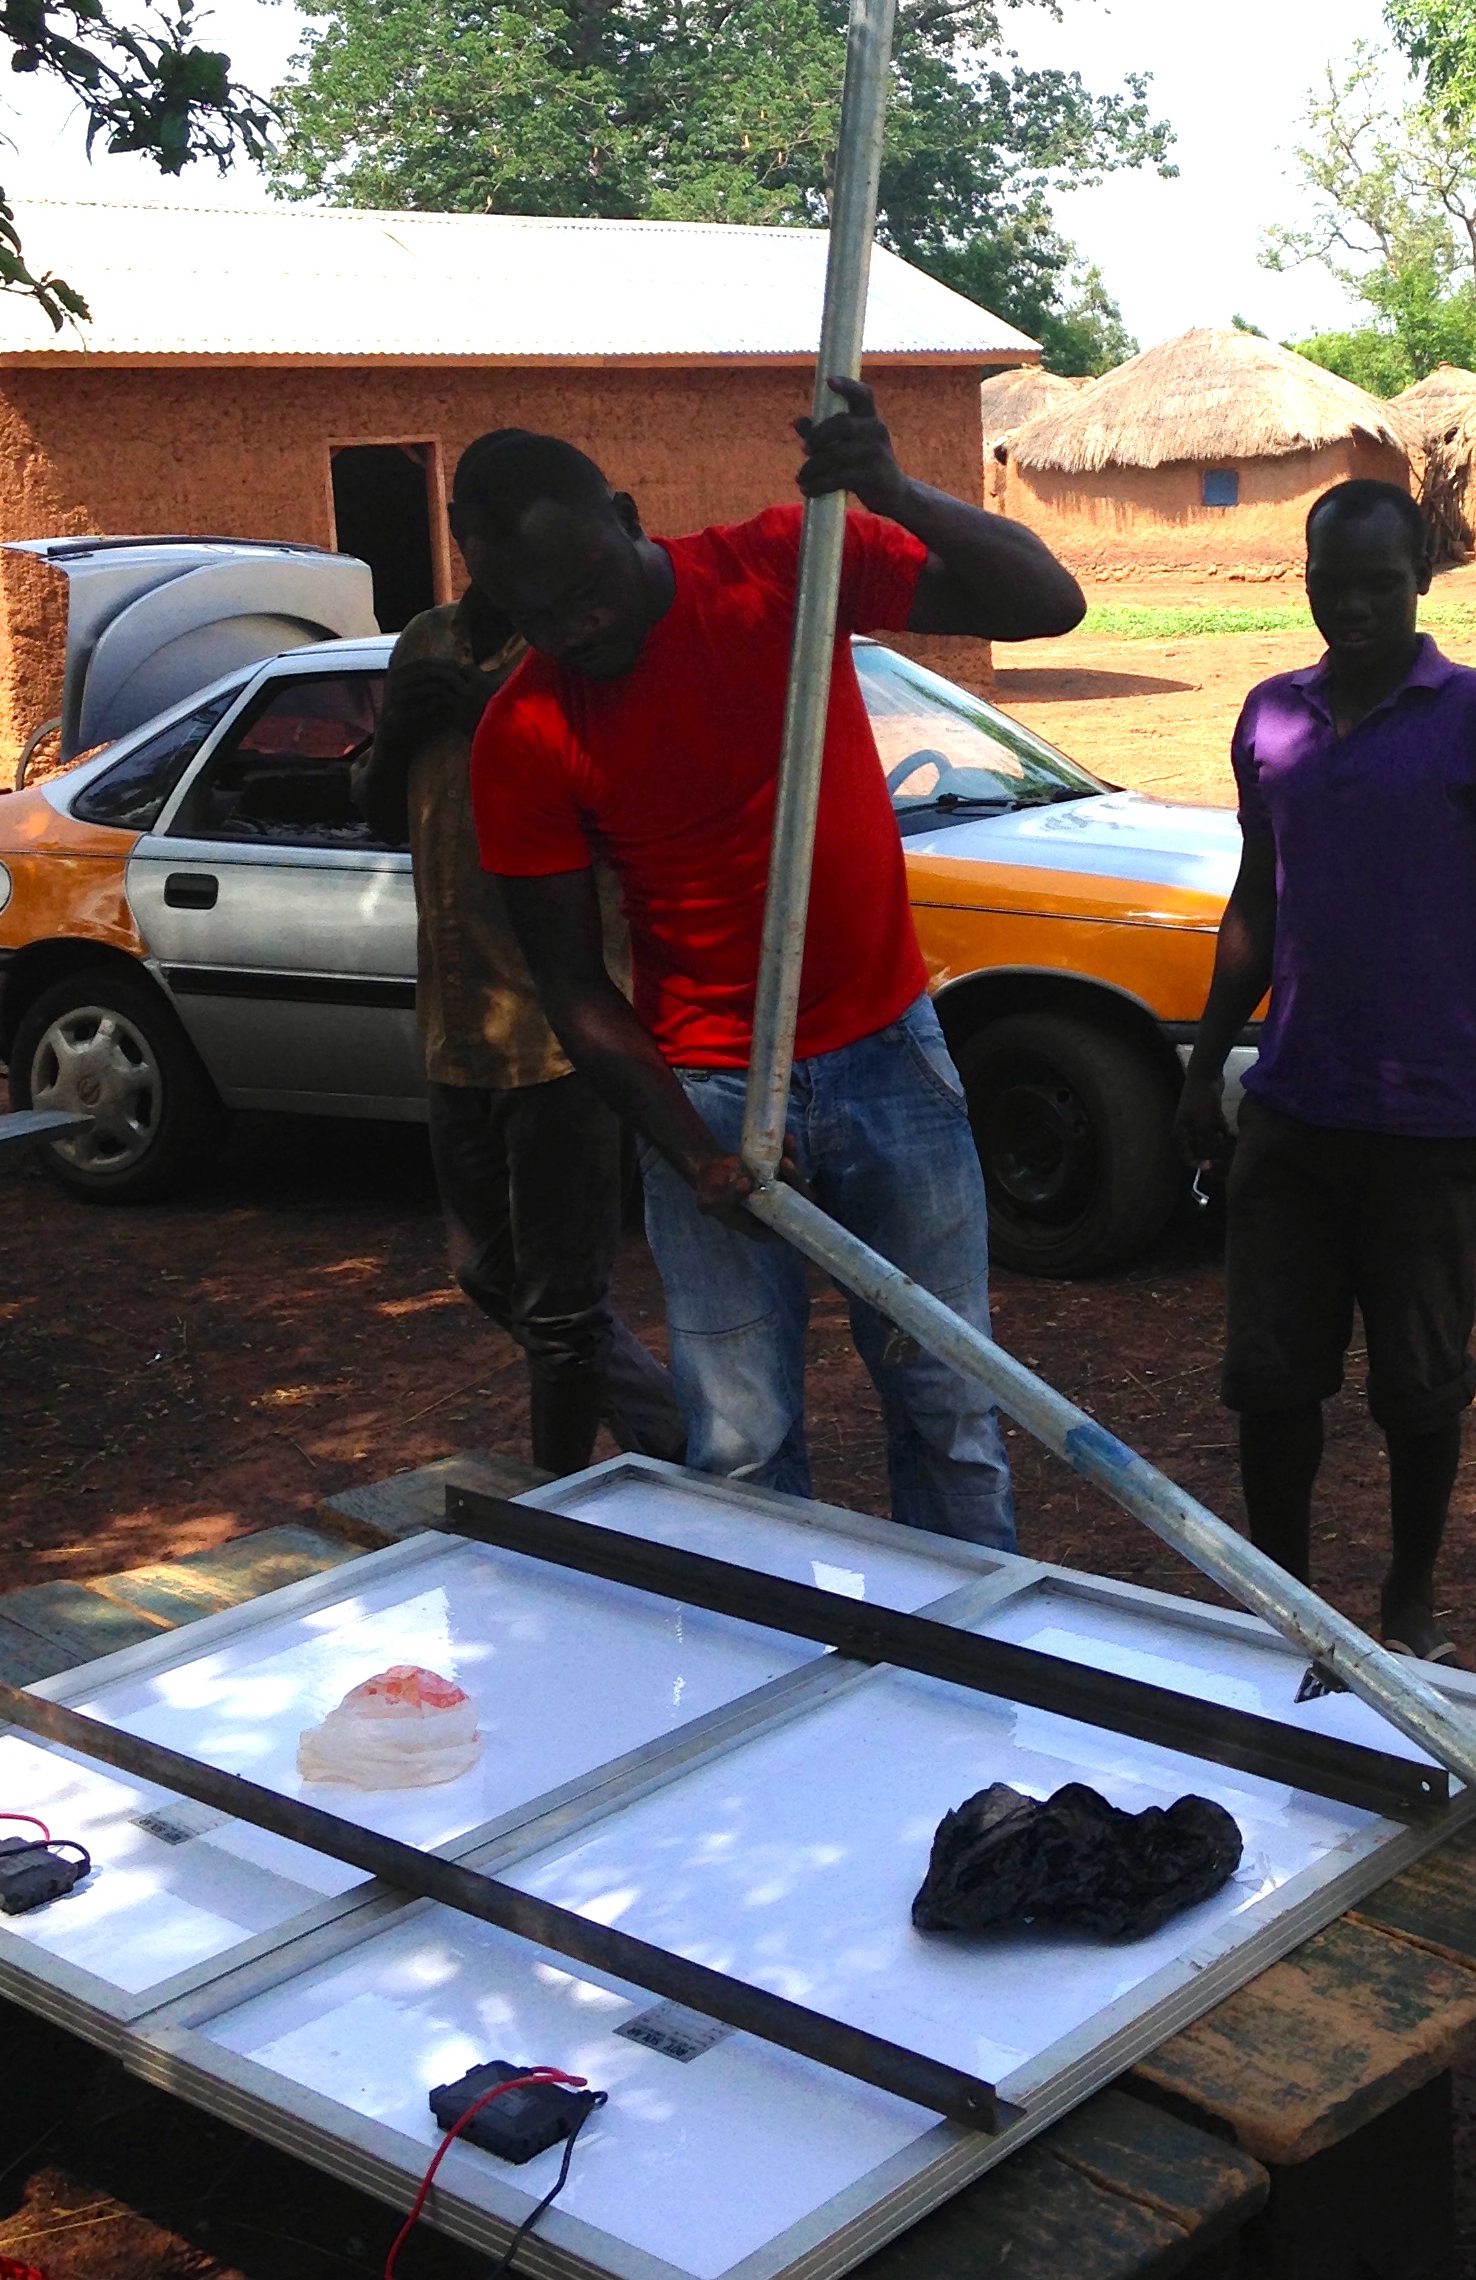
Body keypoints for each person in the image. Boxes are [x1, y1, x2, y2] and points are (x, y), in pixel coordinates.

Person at [458, 391, 1085, 1549]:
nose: (574, 628)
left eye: (584, 586)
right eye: (532, 614)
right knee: (740, 1446)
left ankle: (977, 1695)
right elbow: (575, 989)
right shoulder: (527, 734)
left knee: (949, 1406)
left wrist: (893, 492)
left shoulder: (779, 569)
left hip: (888, 1052)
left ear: (628, 514)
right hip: (703, 1089)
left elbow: (1049, 603)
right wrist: (692, 1151)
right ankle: (783, 1693)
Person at [1177, 477, 1476, 1663]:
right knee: (1270, 1381)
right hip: (1295, 1108)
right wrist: (1205, 1061)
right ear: (1304, 580)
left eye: (1379, 583)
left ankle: (1407, 1607)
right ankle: (1289, 1605)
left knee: (1419, 1387)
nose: (1353, 607)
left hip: (1434, 1117)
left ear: (1422, 578)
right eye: (1332, 583)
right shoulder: (1271, 718)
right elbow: (1256, 901)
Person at [353, 567, 684, 1479]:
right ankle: (679, 1437)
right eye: (471, 524)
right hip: (456, 1026)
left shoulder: (576, 655)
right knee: (485, 1273)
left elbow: (633, 803)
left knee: (563, 1313)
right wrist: (400, 732)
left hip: (562, 1036)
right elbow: (378, 811)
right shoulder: (423, 641)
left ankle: (560, 1505)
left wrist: (497, 716)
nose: (487, 551)